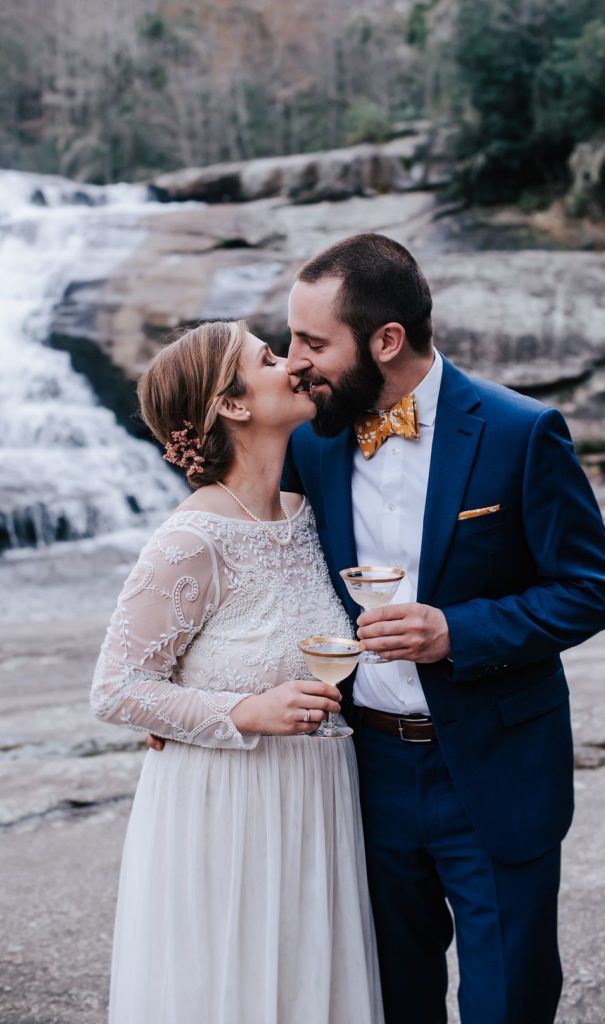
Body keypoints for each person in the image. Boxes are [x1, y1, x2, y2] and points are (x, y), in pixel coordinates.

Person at [282, 232, 605, 1024]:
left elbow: (591, 588)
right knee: (393, 999)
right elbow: (260, 573)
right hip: (363, 775)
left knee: (509, 999)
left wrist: (456, 632)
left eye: (311, 341)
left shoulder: (520, 430)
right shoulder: (311, 441)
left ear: (386, 340)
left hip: (497, 770)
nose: (293, 359)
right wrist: (193, 702)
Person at [90, 320, 384, 1024]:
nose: (293, 363)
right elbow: (117, 688)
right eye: (268, 356)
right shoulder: (191, 539)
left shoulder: (310, 510)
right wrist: (243, 712)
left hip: (319, 800)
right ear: (235, 405)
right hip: (228, 809)